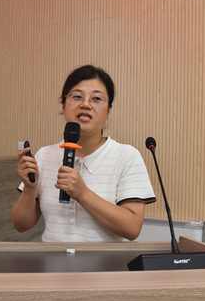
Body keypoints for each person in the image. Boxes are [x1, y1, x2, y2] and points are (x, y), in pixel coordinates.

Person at [11, 65, 156, 242]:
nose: (85, 104)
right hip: (52, 259)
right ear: (64, 106)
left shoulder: (126, 156)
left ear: (108, 111)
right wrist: (29, 189)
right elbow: (21, 225)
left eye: (96, 98)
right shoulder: (44, 155)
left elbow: (132, 228)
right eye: (77, 96)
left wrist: (83, 194)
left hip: (105, 261)